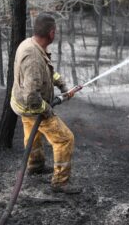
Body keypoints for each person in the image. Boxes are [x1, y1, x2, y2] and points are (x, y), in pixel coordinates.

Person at [10, 13, 81, 194]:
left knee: (31, 136)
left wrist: (63, 86)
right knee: (65, 139)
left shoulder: (29, 44)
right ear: (51, 33)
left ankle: (35, 165)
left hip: (21, 105)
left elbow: (47, 73)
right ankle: (60, 182)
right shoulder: (33, 57)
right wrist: (47, 110)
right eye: (55, 31)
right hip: (32, 106)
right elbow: (32, 97)